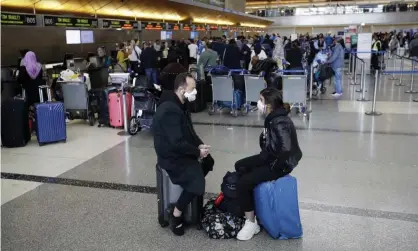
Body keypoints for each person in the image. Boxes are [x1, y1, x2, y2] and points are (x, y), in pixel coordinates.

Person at [235, 87, 302, 241]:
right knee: (240, 165)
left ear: (269, 104)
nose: (258, 103)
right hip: (269, 158)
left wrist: (271, 169)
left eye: (261, 100)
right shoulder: (273, 118)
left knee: (243, 183)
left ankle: (251, 223)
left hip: (280, 165)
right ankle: (250, 205)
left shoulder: (280, 121)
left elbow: (286, 149)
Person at [153, 73, 215, 236]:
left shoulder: (180, 104)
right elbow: (176, 143)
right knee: (198, 182)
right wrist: (196, 152)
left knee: (208, 162)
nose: (195, 91)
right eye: (192, 88)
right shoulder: (169, 110)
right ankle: (177, 213)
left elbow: (189, 132)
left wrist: (200, 146)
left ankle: (191, 189)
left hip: (179, 150)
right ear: (182, 89)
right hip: (171, 156)